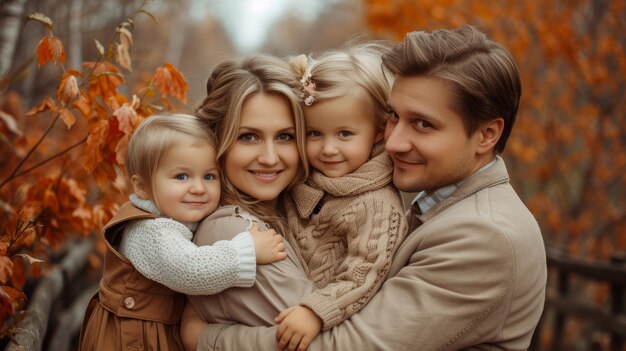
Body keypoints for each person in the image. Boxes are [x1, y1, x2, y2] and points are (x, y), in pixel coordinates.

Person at [184, 25, 547, 351]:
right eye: (393, 116)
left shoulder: (485, 236)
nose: (393, 141)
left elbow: (348, 346)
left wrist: (207, 338)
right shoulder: (440, 203)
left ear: (487, 135)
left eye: (423, 125)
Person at [78, 113, 287, 351]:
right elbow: (191, 269)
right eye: (181, 176)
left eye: (209, 176)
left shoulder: (173, 214)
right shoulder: (149, 231)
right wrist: (248, 250)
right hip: (132, 340)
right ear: (142, 187)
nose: (198, 188)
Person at [273, 42, 408, 350]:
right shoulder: (301, 181)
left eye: (344, 134)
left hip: (325, 328)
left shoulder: (376, 204)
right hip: (279, 307)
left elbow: (365, 271)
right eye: (314, 133)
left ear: (377, 132)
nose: (328, 148)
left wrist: (316, 311)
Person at [181, 54, 319, 349]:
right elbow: (334, 343)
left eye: (285, 137)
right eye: (248, 137)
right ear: (217, 140)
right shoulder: (238, 235)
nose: (269, 158)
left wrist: (208, 339)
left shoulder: (294, 213)